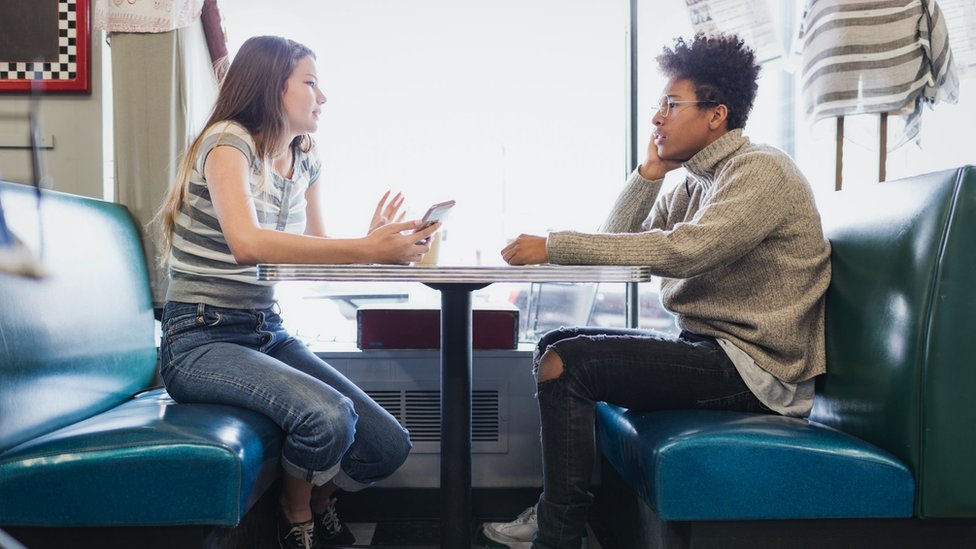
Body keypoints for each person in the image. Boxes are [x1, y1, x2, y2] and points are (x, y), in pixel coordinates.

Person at [486, 33, 831, 549]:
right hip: (711, 352)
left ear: (716, 114)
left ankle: (557, 533)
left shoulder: (761, 170)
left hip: (759, 370)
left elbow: (685, 251)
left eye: (672, 104)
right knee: (553, 344)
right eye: (659, 105)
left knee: (568, 362)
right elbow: (618, 241)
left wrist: (554, 245)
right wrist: (649, 175)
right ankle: (559, 518)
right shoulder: (695, 182)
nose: (657, 118)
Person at [156, 35, 440, 549]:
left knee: (387, 446)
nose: (322, 97)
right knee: (327, 417)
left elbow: (315, 252)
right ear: (272, 86)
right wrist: (364, 248)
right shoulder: (228, 141)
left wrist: (374, 242)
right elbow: (246, 244)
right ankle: (297, 511)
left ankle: (321, 498)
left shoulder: (305, 158)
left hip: (265, 329)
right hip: (198, 336)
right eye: (310, 83)